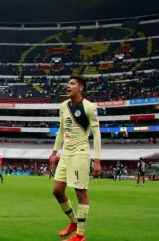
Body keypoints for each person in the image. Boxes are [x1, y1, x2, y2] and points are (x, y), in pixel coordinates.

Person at [49, 76, 101, 241]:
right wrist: (54, 152)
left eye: (72, 83)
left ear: (81, 88)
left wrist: (97, 160)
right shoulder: (63, 106)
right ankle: (73, 222)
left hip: (80, 152)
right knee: (57, 190)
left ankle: (80, 235)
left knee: (81, 193)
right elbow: (62, 130)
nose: (68, 86)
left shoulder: (89, 107)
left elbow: (97, 133)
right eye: (68, 83)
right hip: (66, 153)